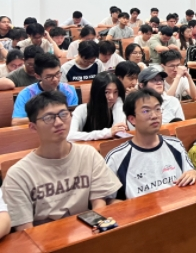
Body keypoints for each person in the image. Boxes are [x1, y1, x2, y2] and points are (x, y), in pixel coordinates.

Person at [2, 91, 121, 229]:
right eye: (48, 118)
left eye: (63, 114)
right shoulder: (18, 174)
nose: (58, 122)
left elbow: (99, 203)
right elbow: (25, 230)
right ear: (33, 127)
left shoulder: (88, 154)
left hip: (88, 231)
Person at [105, 89, 196, 199]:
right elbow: (106, 201)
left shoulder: (176, 145)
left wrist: (194, 173)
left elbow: (190, 173)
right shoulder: (116, 158)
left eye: (158, 109)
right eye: (146, 111)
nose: (154, 116)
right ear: (132, 119)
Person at [12, 53, 78, 125]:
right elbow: (16, 122)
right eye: (49, 76)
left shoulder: (69, 90)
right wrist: (44, 117)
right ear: (37, 76)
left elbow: (73, 115)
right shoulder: (26, 94)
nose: (55, 79)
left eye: (57, 74)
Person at [67, 72, 127, 141]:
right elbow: (70, 136)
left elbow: (118, 132)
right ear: (97, 92)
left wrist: (119, 103)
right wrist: (107, 133)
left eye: (115, 92)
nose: (112, 97)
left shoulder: (117, 106)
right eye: (106, 92)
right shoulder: (82, 110)